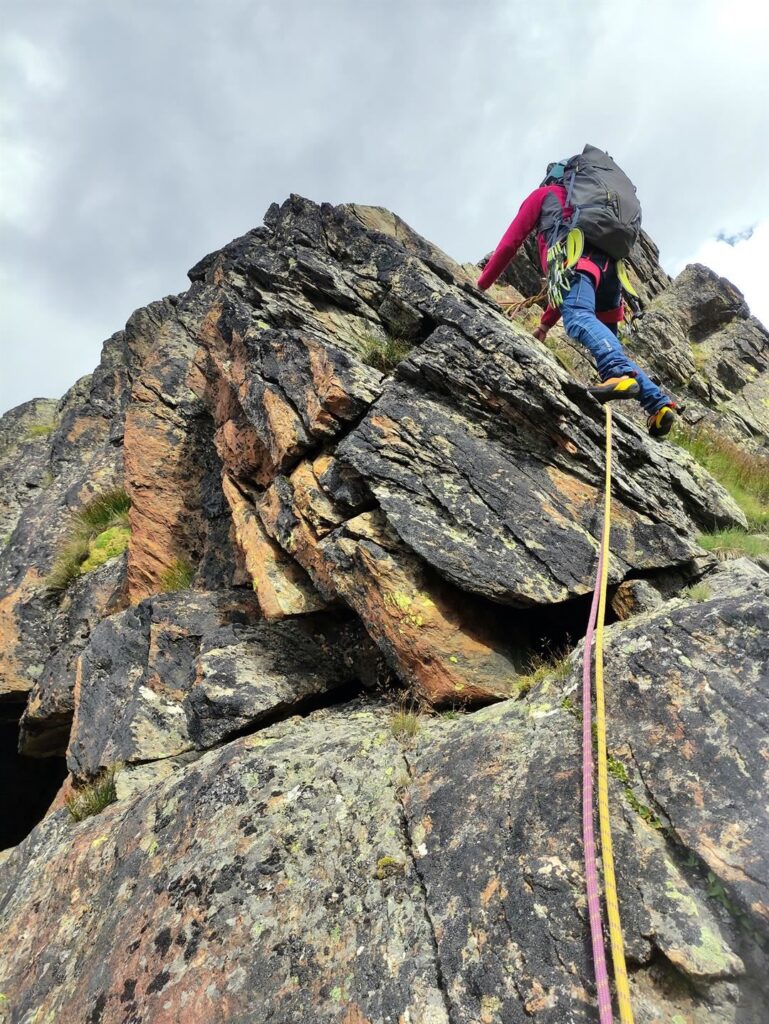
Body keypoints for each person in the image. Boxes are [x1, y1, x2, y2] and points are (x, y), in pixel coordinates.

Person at [477, 161, 678, 438]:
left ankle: (618, 374)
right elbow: (564, 287)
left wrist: (481, 286)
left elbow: (510, 244)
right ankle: (658, 405)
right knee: (609, 346)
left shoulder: (542, 196)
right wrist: (546, 325)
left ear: (549, 179)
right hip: (610, 276)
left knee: (578, 320)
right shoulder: (585, 207)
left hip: (579, 263)